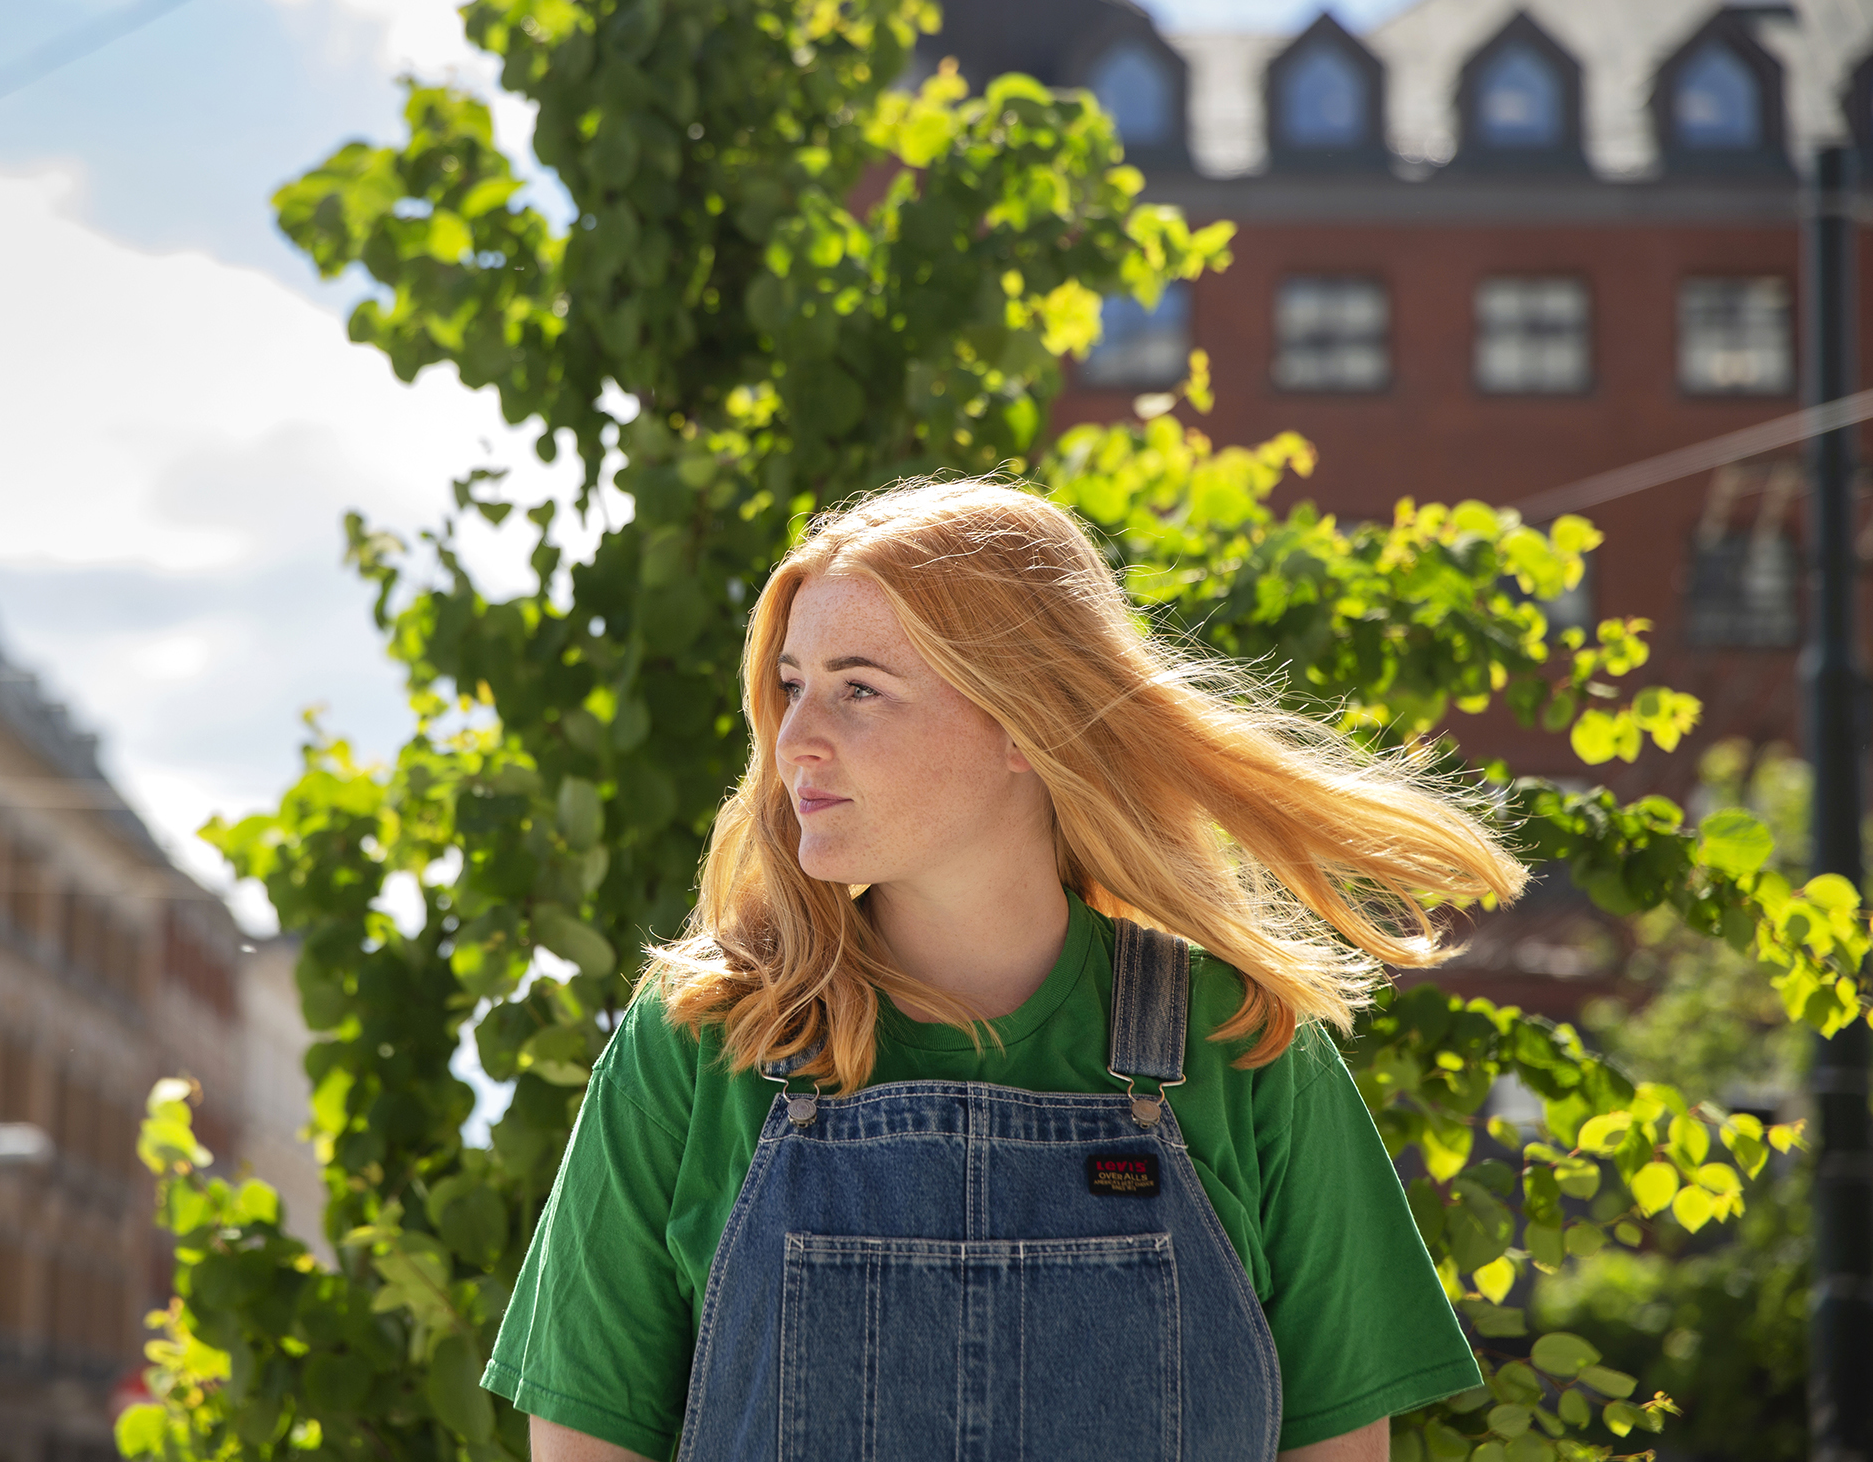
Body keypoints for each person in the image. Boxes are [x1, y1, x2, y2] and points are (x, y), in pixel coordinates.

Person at [482, 478, 1526, 1461]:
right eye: (792, 686)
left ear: (1027, 724)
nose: (795, 738)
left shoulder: (1242, 1044)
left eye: (859, 689)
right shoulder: (698, 1044)